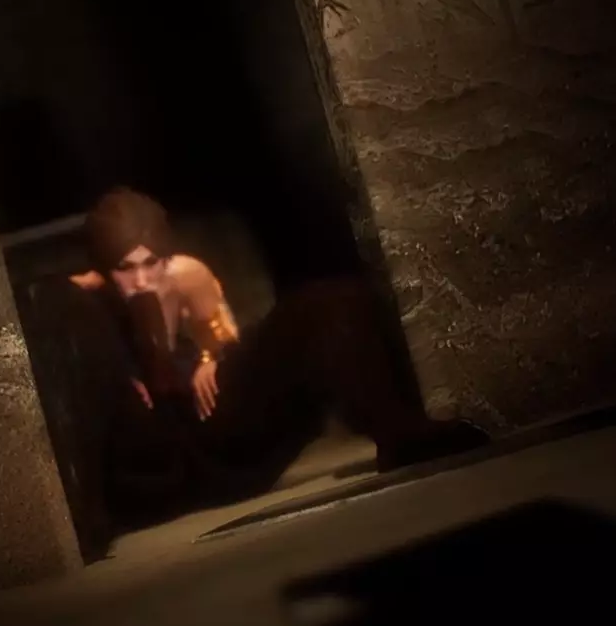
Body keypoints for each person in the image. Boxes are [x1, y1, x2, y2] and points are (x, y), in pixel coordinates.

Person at [69, 186, 488, 529]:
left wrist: (211, 358)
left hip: (207, 408)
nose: (142, 279)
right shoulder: (83, 298)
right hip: (156, 443)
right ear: (104, 267)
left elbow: (221, 340)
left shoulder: (184, 275)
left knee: (327, 302)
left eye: (151, 263)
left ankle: (397, 431)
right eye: (125, 268)